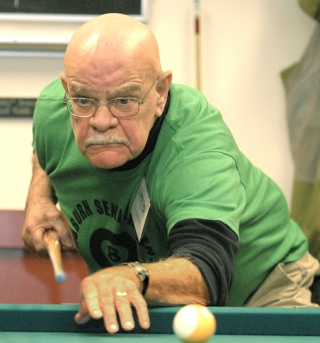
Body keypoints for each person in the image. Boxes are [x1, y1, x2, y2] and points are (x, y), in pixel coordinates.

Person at [22, 13, 320, 334]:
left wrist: (130, 275)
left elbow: (208, 269)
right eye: (84, 99)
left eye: (124, 100)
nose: (101, 120)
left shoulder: (192, 144)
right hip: (150, 297)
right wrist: (39, 194)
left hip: (264, 292)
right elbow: (45, 149)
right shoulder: (56, 108)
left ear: (161, 93)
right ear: (67, 89)